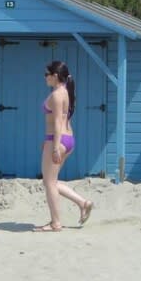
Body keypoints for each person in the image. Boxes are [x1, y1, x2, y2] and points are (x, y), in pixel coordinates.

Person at [34, 60, 94, 231]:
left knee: (49, 183)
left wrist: (53, 146)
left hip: (57, 140)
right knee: (51, 181)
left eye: (47, 74)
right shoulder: (65, 92)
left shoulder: (56, 95)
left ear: (55, 76)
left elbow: (59, 123)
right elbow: (62, 120)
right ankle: (83, 203)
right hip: (66, 139)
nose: (45, 77)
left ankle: (55, 223)